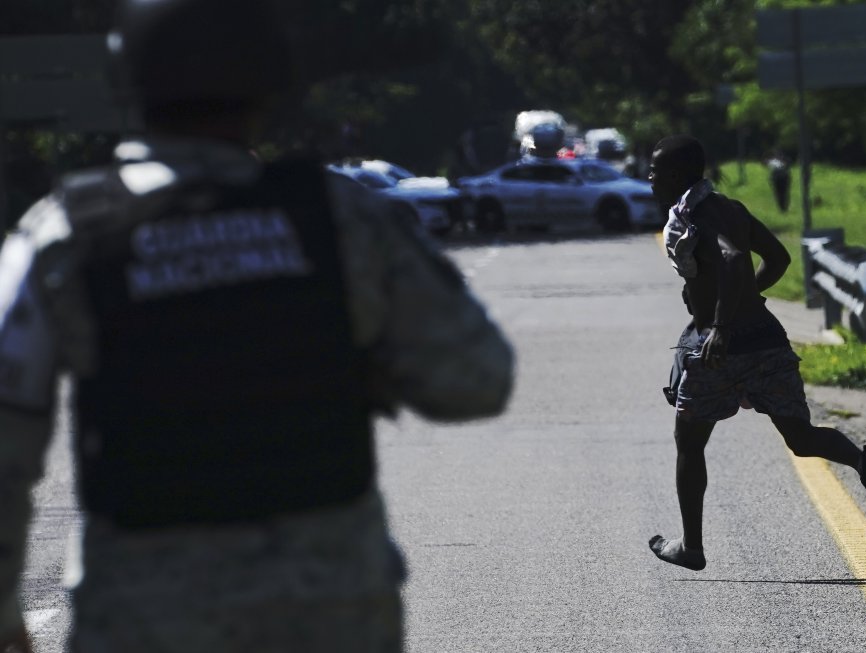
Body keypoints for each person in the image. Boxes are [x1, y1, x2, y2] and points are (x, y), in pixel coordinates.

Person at [0, 1, 514, 651]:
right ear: (269, 83)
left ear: (124, 81)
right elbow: (479, 379)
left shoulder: (65, 234)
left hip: (142, 617)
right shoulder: (340, 217)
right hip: (332, 611)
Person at [647, 135, 866, 571]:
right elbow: (778, 258)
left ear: (674, 175)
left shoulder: (700, 217)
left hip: (720, 347)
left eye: (655, 171)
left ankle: (691, 546)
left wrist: (722, 325)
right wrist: (746, 298)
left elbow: (730, 259)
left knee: (689, 443)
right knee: (801, 438)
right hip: (766, 339)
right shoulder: (733, 208)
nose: (650, 179)